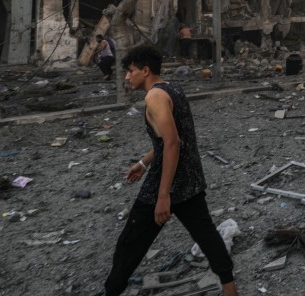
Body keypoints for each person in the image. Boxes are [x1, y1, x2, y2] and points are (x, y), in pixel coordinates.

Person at [101, 44, 237, 296]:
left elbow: (173, 142)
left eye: (130, 71)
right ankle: (230, 288)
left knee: (129, 245)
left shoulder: (154, 97)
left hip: (165, 184)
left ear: (145, 70)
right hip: (190, 180)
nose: (127, 77)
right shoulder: (172, 88)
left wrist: (163, 195)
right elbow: (170, 139)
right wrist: (143, 162)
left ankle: (111, 291)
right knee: (207, 235)